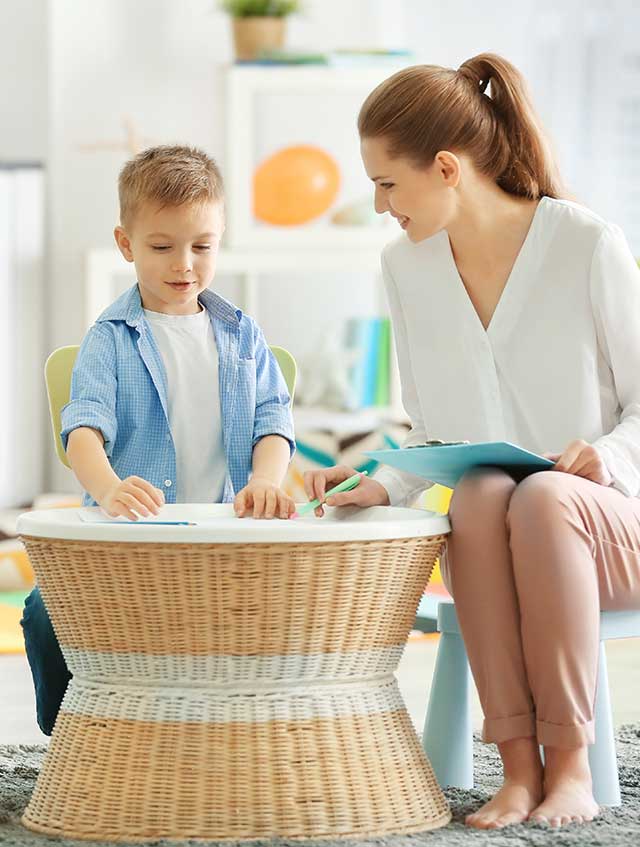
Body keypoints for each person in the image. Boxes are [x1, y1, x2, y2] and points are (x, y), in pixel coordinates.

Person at [303, 53, 640, 829]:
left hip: (608, 532)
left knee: (548, 494)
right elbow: (432, 433)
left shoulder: (586, 244)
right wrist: (380, 482)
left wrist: (610, 456)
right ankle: (519, 772)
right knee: (486, 491)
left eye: (389, 183)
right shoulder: (405, 266)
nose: (381, 204)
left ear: (447, 168)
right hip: (508, 531)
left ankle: (574, 768)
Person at [22, 144, 296, 735]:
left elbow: (274, 421)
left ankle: (238, 727)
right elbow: (83, 430)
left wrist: (267, 483)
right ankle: (72, 733)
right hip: (126, 546)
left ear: (220, 239)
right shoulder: (111, 338)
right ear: (127, 245)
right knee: (46, 613)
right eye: (162, 247)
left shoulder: (243, 334)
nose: (185, 265)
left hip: (224, 540)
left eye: (202, 246)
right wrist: (110, 488)